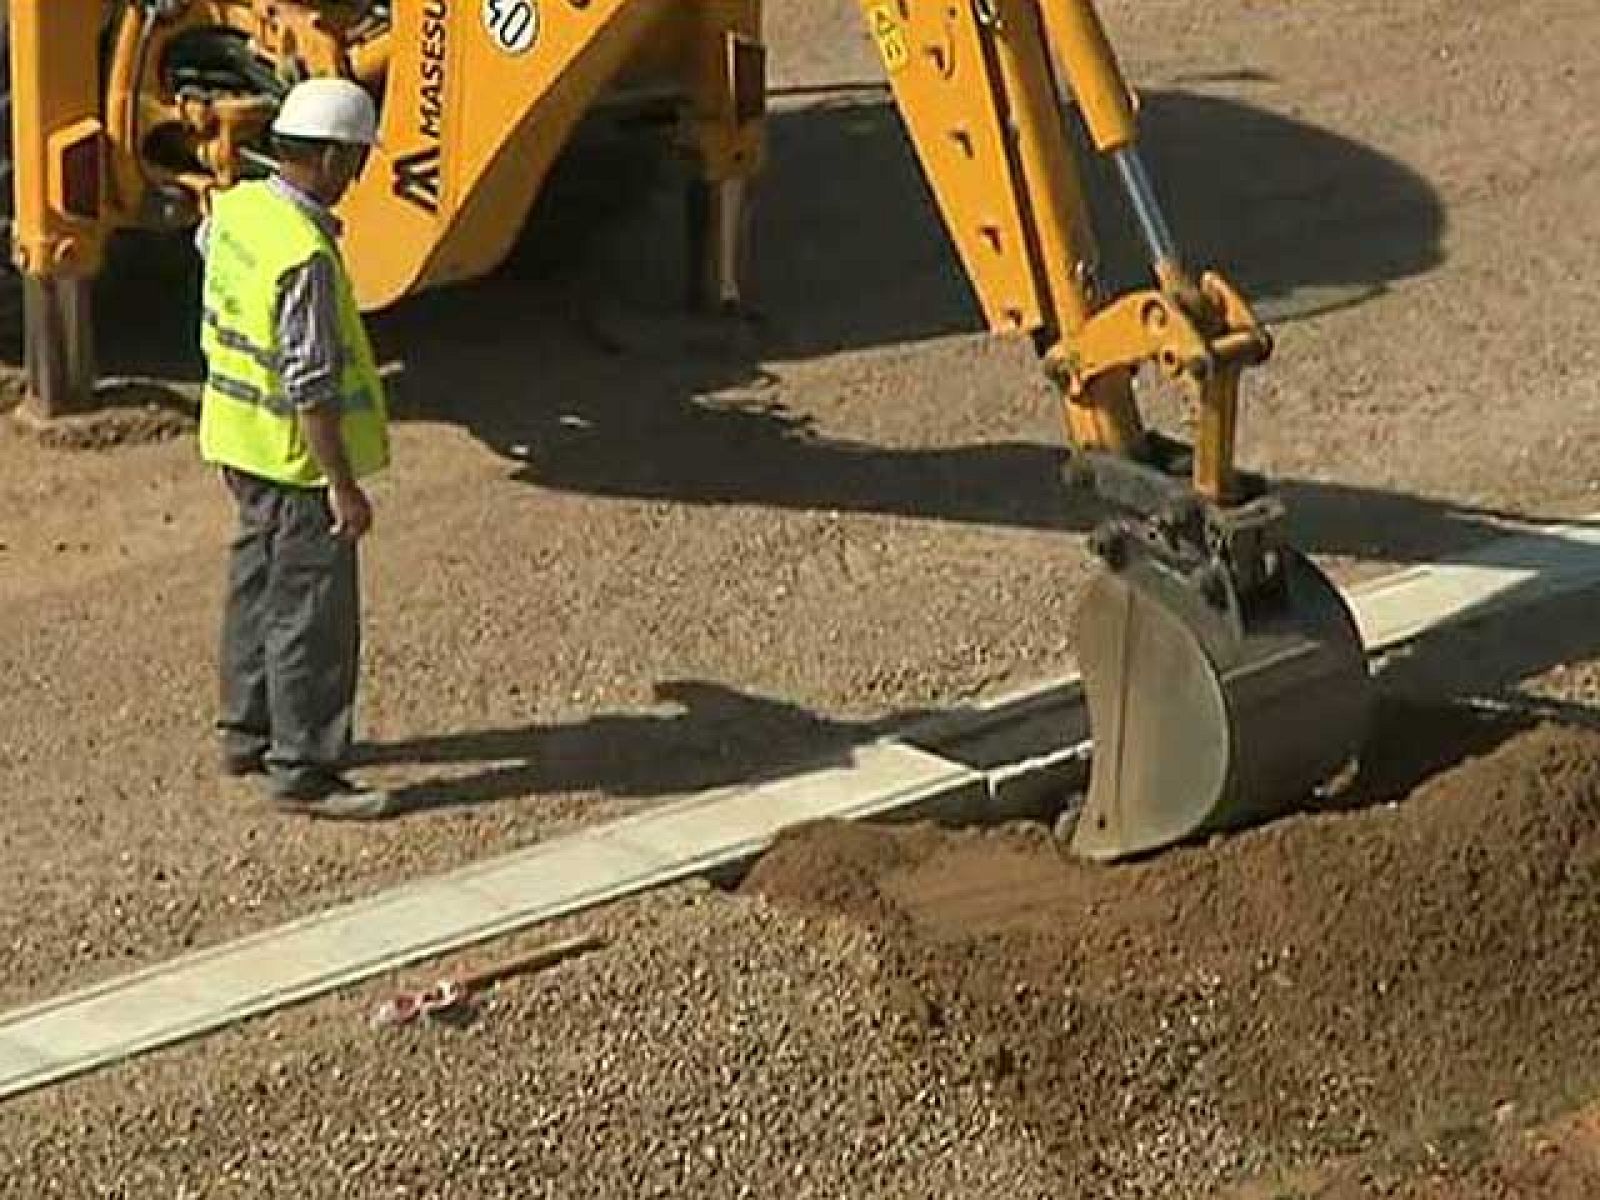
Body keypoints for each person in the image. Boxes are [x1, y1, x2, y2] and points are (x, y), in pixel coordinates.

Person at [194, 77, 393, 819]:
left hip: (237, 441)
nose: (361, 175)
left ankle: (246, 732)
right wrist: (343, 484)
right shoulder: (304, 255)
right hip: (294, 458)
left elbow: (209, 255)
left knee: (254, 588)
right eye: (359, 161)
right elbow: (311, 384)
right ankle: (305, 767)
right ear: (336, 159)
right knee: (309, 612)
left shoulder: (238, 211)